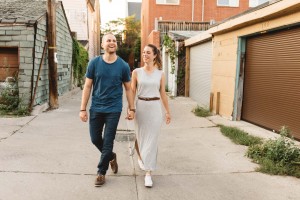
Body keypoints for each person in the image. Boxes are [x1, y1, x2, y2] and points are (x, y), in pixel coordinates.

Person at [79, 33, 135, 187]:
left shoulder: (123, 65)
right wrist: (82, 109)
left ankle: (101, 172)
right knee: (95, 139)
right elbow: (88, 86)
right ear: (102, 45)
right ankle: (111, 156)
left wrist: (132, 108)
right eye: (108, 40)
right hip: (96, 107)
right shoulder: (94, 63)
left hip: (114, 109)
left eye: (114, 41)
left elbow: (128, 89)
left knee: (108, 140)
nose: (112, 42)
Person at [131, 44, 171, 188]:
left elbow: (163, 94)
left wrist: (167, 112)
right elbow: (132, 92)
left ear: (155, 55)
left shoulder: (160, 73)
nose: (145, 55)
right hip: (141, 107)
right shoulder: (136, 72)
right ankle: (142, 158)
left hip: (155, 109)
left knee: (152, 140)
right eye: (143, 52)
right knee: (141, 137)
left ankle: (148, 173)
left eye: (148, 52)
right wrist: (131, 109)